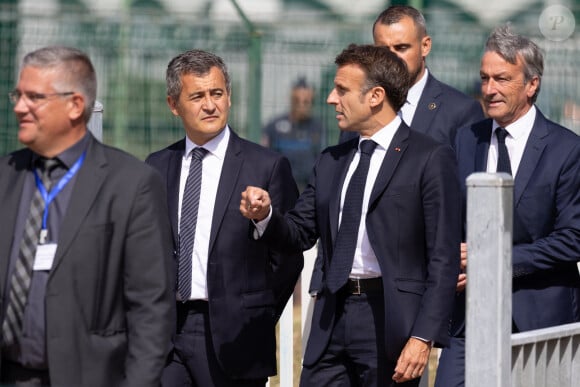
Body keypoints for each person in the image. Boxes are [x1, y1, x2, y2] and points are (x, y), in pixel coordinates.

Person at [241, 44, 461, 387]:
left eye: (341, 90)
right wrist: (266, 215)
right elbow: (299, 232)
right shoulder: (332, 160)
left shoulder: (429, 158)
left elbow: (443, 258)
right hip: (332, 316)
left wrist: (423, 337)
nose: (331, 99)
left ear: (375, 96)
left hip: (391, 321)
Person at [0, 46, 174, 386]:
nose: (20, 107)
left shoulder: (130, 184)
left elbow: (151, 310)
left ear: (75, 105)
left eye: (34, 97)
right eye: (17, 95)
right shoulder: (6, 175)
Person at [145, 49, 303, 387]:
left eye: (217, 93)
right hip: (167, 335)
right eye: (197, 96)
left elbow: (288, 256)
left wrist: (255, 313)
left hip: (235, 338)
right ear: (174, 105)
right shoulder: (157, 166)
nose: (210, 105)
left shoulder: (266, 166)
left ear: (229, 96)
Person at [435, 25, 580, 387]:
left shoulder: (566, 150)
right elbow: (450, 217)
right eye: (484, 78)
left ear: (532, 84)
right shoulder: (466, 139)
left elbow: (573, 238)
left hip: (540, 318)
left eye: (501, 79)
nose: (489, 90)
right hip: (468, 317)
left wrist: (492, 261)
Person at [339, 5, 484, 146]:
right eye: (383, 50)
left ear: (425, 46)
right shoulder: (359, 107)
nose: (392, 57)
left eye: (401, 48)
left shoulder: (461, 111)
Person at [262, 77, 325, 190]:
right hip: (280, 188)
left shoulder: (316, 128)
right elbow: (265, 161)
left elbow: (319, 162)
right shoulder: (274, 126)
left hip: (307, 189)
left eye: (306, 102)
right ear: (291, 100)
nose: (302, 106)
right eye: (297, 101)